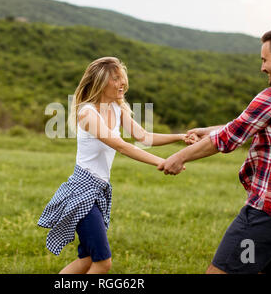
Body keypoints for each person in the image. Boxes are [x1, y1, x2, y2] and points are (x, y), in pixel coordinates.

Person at [158, 27, 271, 274]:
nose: (262, 67)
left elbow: (227, 139)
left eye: (265, 60)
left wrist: (179, 157)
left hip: (268, 213)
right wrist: (208, 129)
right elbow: (249, 125)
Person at [38, 57, 186, 274]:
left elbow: (143, 136)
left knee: (87, 260)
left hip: (98, 190)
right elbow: (122, 146)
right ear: (100, 82)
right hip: (82, 192)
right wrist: (163, 162)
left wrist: (180, 137)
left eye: (123, 78)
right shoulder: (88, 113)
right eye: (116, 79)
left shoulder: (117, 109)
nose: (122, 83)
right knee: (102, 262)